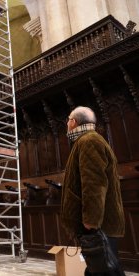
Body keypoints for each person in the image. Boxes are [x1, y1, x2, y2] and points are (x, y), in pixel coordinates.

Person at [61, 106, 125, 275]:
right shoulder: (87, 140)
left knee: (105, 270)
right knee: (98, 269)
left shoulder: (89, 141)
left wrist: (91, 220)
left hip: (98, 225)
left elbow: (94, 184)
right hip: (97, 224)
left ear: (73, 122)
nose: (67, 123)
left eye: (68, 120)